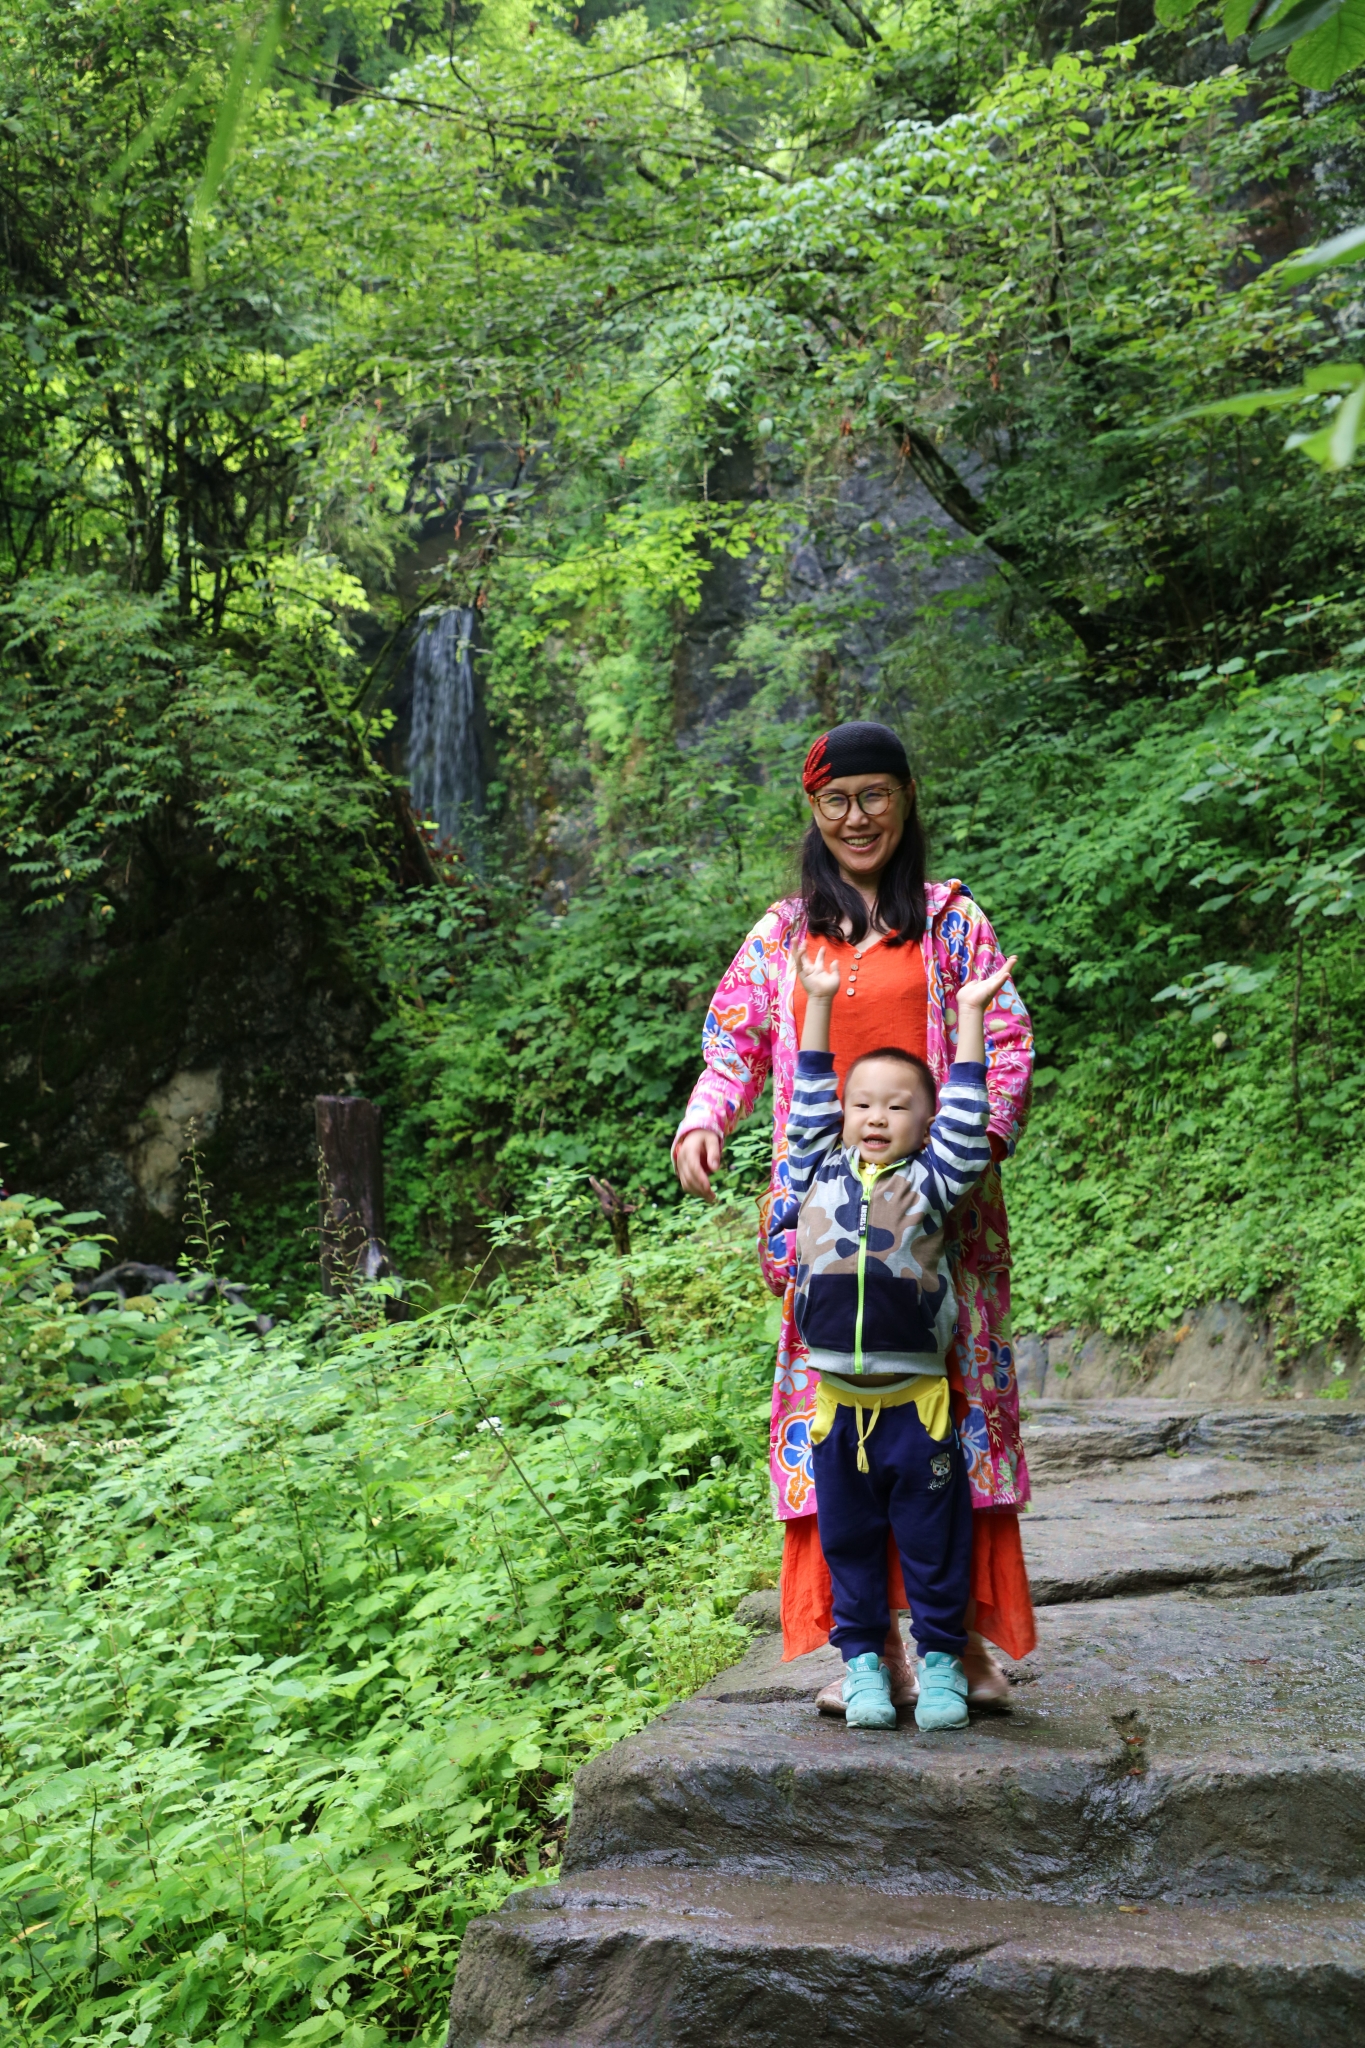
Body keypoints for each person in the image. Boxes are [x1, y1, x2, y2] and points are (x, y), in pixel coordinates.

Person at [673, 719, 1036, 1705]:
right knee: (844, 1427)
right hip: (826, 1226)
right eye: (836, 799)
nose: (857, 816)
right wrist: (704, 1118)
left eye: (874, 794)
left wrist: (966, 1155)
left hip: (943, 1224)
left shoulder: (955, 920)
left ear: (907, 797)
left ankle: (961, 1647)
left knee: (952, 1424)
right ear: (812, 810)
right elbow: (733, 1045)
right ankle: (865, 1650)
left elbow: (1005, 1045)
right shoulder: (786, 933)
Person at [788, 940, 1017, 1728]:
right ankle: (861, 1671)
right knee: (846, 1546)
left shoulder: (933, 1180)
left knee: (933, 1546)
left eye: (896, 1105)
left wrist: (968, 1017)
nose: (874, 1116)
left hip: (917, 1411)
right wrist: (817, 1002)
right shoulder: (812, 1170)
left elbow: (966, 1115)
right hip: (836, 1412)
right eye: (862, 1104)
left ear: (923, 1124)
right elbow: (809, 1098)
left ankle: (945, 1667)